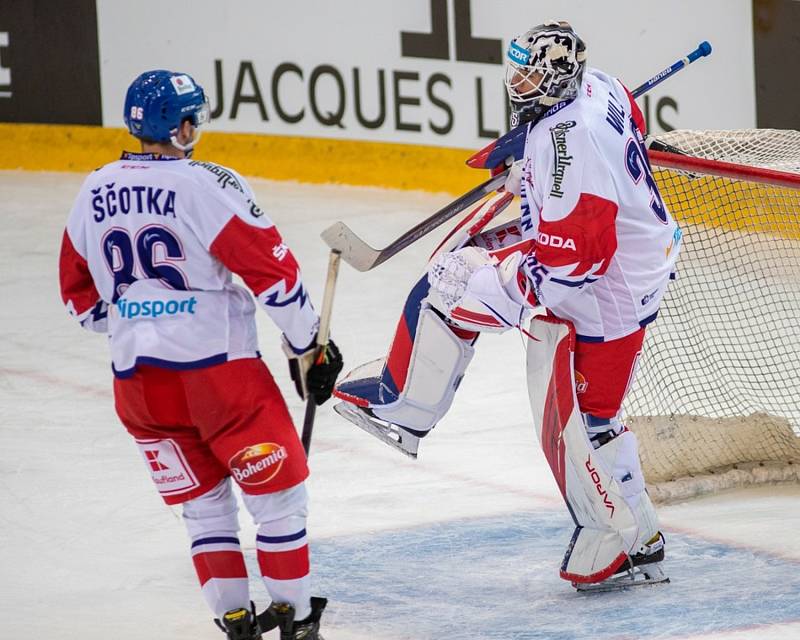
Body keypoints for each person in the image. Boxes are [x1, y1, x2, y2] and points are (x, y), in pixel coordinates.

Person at [331, 21, 679, 590]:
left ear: (556, 78)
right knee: (597, 418)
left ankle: (405, 410)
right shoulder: (603, 87)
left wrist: (504, 277)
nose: (517, 82)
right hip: (641, 266)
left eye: (530, 73)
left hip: (596, 288)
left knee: (447, 280)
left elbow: (568, 275)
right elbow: (628, 131)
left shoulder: (567, 151)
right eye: (516, 69)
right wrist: (532, 159)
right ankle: (643, 536)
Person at [58, 69, 342, 639]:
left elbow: (79, 298)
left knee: (205, 508)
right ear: (183, 126)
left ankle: (234, 620)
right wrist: (309, 345)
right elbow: (274, 274)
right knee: (278, 500)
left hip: (137, 386)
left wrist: (139, 318)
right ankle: (296, 615)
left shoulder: (93, 188)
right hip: (222, 379)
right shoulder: (206, 182)